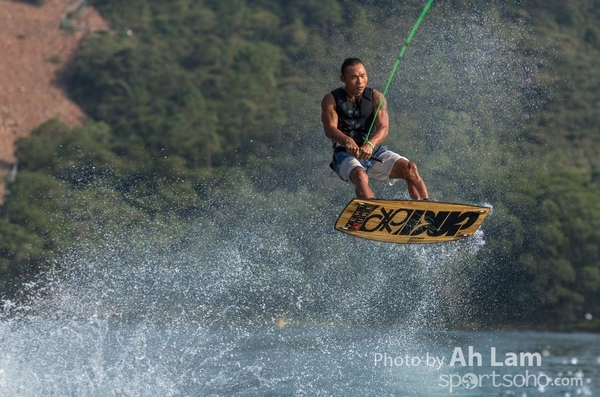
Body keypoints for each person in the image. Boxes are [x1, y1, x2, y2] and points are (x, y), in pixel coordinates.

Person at [321, 57, 429, 200]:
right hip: (344, 154)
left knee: (410, 168)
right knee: (360, 175)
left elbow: (384, 128)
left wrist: (370, 144)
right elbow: (329, 129)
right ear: (343, 78)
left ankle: (426, 207)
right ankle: (371, 211)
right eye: (354, 77)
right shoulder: (331, 99)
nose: (360, 81)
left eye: (363, 76)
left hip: (375, 151)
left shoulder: (377, 97)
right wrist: (347, 141)